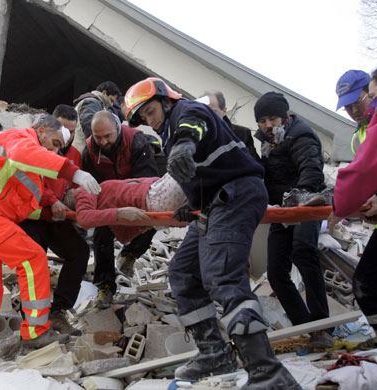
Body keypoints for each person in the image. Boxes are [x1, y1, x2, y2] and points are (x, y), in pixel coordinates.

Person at [125, 77, 300, 389]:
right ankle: (214, 353)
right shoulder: (171, 132)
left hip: (236, 195)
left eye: (150, 111)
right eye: (143, 118)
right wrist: (192, 206)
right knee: (183, 273)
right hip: (214, 203)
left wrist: (183, 143)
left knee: (222, 277)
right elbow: (207, 169)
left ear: (166, 100)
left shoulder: (187, 112)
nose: (149, 121)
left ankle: (269, 374)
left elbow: (194, 125)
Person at [0, 115, 101, 379]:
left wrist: (53, 213)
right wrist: (73, 171)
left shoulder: (30, 169)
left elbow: (23, 208)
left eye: (58, 148)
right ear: (40, 130)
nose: (52, 150)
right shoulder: (19, 138)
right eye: (52, 143)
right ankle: (37, 331)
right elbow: (24, 155)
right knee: (32, 258)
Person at [254, 92, 332, 349]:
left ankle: (321, 326)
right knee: (276, 272)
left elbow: (310, 169)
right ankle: (305, 325)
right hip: (282, 209)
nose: (267, 125)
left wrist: (301, 195)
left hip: (307, 204)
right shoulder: (268, 142)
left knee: (304, 251)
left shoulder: (301, 135)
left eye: (272, 118)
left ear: (285, 117)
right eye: (262, 120)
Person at [16, 105, 89, 336]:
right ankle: (31, 322)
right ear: (49, 128)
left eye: (71, 132)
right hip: (32, 214)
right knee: (34, 261)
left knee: (79, 252)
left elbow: (74, 187)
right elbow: (32, 178)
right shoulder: (32, 146)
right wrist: (50, 200)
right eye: (62, 132)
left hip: (55, 216)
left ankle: (58, 312)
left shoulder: (75, 155)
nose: (65, 140)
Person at [331, 83, 377, 343]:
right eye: (347, 106)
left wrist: (340, 207)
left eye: (365, 99)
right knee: (366, 282)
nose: (354, 110)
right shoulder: (358, 136)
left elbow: (363, 174)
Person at [82, 110, 159, 308]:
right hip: (107, 200)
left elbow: (148, 177)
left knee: (151, 224)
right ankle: (105, 286)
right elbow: (88, 184)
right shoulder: (90, 150)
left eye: (107, 136)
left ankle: (130, 255)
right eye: (98, 137)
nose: (103, 142)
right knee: (101, 237)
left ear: (117, 128)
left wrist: (132, 204)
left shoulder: (136, 141)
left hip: (137, 194)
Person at [72, 173, 186, 242]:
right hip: (157, 196)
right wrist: (120, 213)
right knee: (192, 162)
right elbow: (84, 218)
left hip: (159, 205)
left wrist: (142, 224)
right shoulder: (83, 191)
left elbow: (124, 237)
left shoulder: (105, 210)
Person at [203, 90, 261, 162]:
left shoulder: (242, 134)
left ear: (224, 111)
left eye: (213, 112)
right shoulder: (193, 135)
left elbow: (254, 165)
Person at [335, 70, 372, 155]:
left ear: (371, 92)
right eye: (347, 106)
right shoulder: (357, 140)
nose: (354, 110)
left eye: (358, 102)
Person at [71, 85, 115, 152]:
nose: (111, 104)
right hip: (83, 153)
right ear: (104, 93)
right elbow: (90, 127)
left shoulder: (92, 102)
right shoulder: (92, 102)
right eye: (111, 100)